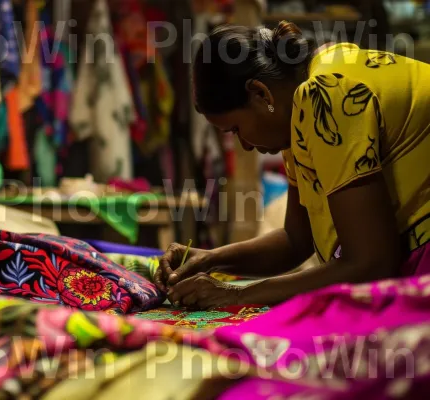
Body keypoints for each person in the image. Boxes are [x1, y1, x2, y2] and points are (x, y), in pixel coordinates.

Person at [155, 21, 430, 309]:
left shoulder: (324, 93)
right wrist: (211, 259)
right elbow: (296, 239)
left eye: (236, 129)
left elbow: (371, 262)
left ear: (261, 94)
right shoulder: (301, 107)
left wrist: (235, 294)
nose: (245, 145)